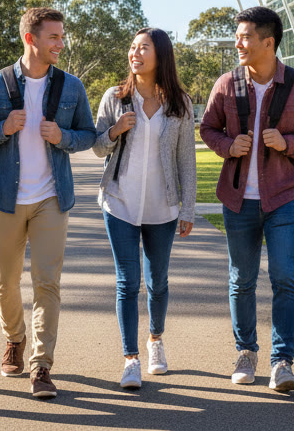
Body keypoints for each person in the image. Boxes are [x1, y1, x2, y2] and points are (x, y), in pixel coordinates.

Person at [0, 7, 97, 400]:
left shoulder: (71, 87)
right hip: (5, 197)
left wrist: (63, 137)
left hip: (51, 199)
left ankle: (41, 366)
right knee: (5, 282)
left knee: (47, 283)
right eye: (53, 37)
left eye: (61, 36)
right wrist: (2, 129)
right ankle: (14, 339)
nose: (60, 43)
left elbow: (88, 134)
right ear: (30, 39)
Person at [199, 6, 294, 393]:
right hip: (238, 200)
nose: (238, 43)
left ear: (268, 42)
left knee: (285, 278)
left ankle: (282, 363)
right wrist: (227, 145)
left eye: (245, 37)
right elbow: (207, 127)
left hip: (284, 198)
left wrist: (289, 143)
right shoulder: (227, 84)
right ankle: (245, 352)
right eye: (238, 36)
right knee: (241, 280)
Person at [91, 28, 197, 390]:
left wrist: (188, 209)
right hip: (119, 202)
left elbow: (187, 161)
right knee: (127, 282)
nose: (135, 53)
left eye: (144, 48)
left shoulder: (180, 103)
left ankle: (155, 340)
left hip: (162, 208)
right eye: (132, 47)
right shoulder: (116, 97)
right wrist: (115, 130)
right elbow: (97, 148)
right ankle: (130, 359)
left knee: (158, 282)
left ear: (160, 55)